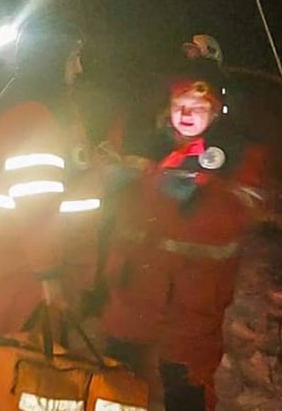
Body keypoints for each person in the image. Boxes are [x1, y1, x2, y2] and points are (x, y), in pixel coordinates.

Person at [99, 46, 272, 411]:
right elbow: (111, 209)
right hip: (133, 301)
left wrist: (202, 191)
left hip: (194, 310)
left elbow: (244, 214)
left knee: (186, 394)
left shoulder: (239, 155)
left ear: (217, 111)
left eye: (199, 107)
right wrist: (119, 178)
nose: (187, 114)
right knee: (118, 393)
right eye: (180, 106)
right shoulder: (145, 145)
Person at [0, 10, 104, 339]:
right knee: (33, 377)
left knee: (42, 376)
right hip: (30, 277)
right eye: (73, 58)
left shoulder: (43, 102)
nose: (79, 68)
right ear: (50, 57)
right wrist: (49, 276)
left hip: (37, 266)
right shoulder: (32, 112)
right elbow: (36, 206)